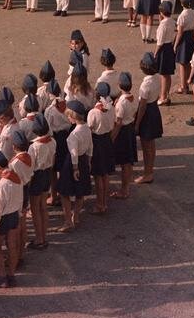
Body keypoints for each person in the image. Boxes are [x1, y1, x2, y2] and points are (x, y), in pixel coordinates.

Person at [56, 101, 92, 233]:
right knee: (80, 191)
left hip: (73, 163)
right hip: (84, 160)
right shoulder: (87, 128)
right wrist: (88, 160)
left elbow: (73, 153)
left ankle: (67, 220)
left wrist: (75, 168)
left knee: (65, 192)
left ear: (72, 116)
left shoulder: (73, 134)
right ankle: (76, 216)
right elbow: (90, 147)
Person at [0, 150, 22, 289]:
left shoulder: (1, 184)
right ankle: (11, 275)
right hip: (14, 214)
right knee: (12, 246)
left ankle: (2, 276)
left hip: (3, 218)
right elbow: (21, 198)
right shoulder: (17, 177)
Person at [27, 114, 55, 250]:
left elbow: (31, 167)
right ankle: (44, 236)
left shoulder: (34, 147)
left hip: (37, 176)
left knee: (35, 208)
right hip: (47, 173)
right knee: (43, 206)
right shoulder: (52, 141)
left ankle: (39, 238)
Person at [87, 82, 114, 215]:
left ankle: (100, 203)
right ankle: (105, 202)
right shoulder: (111, 108)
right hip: (107, 140)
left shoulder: (93, 112)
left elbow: (89, 128)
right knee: (105, 174)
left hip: (97, 142)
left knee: (98, 175)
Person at [135, 53, 162, 184]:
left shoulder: (145, 84)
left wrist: (137, 123)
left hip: (147, 113)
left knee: (146, 146)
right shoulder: (157, 77)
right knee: (151, 144)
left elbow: (142, 106)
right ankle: (150, 170)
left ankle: (148, 173)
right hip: (154, 109)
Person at [111, 72, 138, 200]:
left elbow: (118, 123)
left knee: (124, 163)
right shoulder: (133, 98)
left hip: (123, 131)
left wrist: (112, 138)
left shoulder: (122, 103)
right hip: (130, 127)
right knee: (128, 162)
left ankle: (124, 189)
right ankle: (126, 187)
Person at [173, 0, 194, 95]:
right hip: (191, 37)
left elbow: (180, 32)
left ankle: (183, 86)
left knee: (182, 64)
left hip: (184, 40)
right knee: (188, 63)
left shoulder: (182, 16)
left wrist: (175, 45)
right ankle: (186, 83)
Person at [154, 1, 176, 106]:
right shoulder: (172, 21)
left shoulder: (163, 24)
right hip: (169, 47)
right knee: (168, 74)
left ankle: (162, 97)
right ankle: (166, 95)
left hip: (163, 49)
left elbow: (160, 41)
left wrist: (155, 53)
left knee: (163, 75)